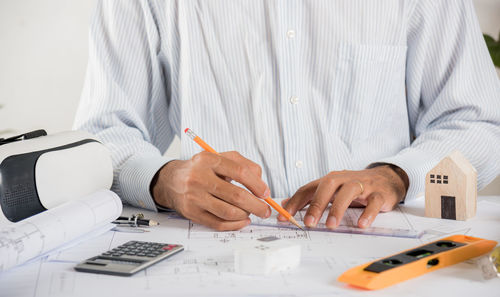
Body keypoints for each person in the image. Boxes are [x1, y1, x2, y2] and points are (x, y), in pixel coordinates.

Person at [74, 0, 500, 231]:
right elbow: (101, 134)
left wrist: (396, 175)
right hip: (218, 258)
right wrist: (163, 180)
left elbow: (476, 120)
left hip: (380, 258)